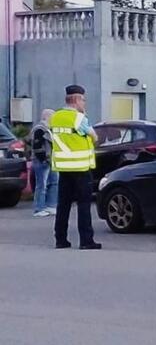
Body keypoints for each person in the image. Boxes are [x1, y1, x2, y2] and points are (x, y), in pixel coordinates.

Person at [49, 85, 101, 250]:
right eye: (83, 100)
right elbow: (94, 136)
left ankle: (60, 240)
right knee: (84, 205)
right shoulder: (79, 119)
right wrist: (84, 118)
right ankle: (86, 241)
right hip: (80, 169)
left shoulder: (55, 117)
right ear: (77, 99)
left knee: (62, 205)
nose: (84, 103)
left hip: (63, 169)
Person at [30, 108, 58, 217]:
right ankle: (39, 208)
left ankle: (50, 206)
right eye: (52, 117)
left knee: (54, 182)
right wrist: (44, 159)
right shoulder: (40, 129)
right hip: (42, 161)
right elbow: (37, 146)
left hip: (50, 160)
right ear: (47, 117)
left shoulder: (49, 129)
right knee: (42, 185)